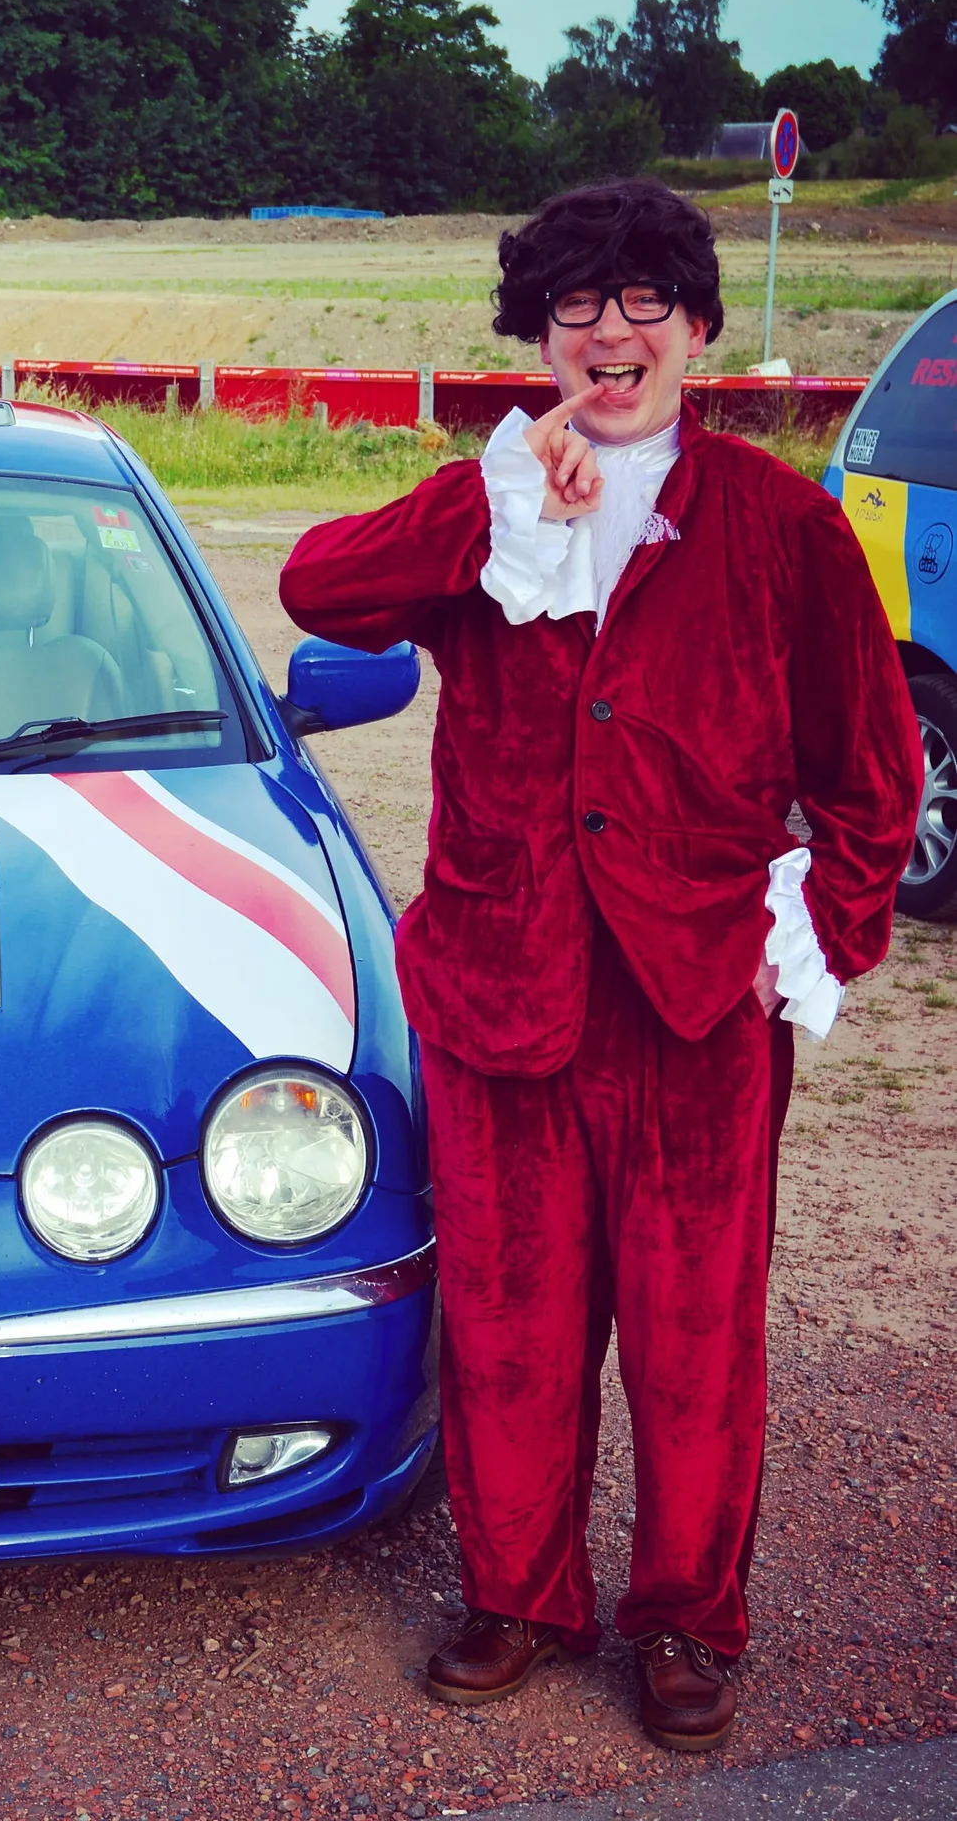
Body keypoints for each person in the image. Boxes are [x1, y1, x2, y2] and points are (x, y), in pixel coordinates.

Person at [279, 179, 918, 1753]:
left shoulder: (781, 523)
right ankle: (518, 1597)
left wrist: (810, 938)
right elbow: (314, 589)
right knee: (506, 1325)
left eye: (643, 304)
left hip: (699, 1006)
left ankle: (692, 1618)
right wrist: (492, 500)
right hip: (504, 992)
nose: (610, 333)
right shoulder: (487, 502)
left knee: (699, 1341)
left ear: (697, 330)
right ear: (539, 335)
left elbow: (872, 772)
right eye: (576, 306)